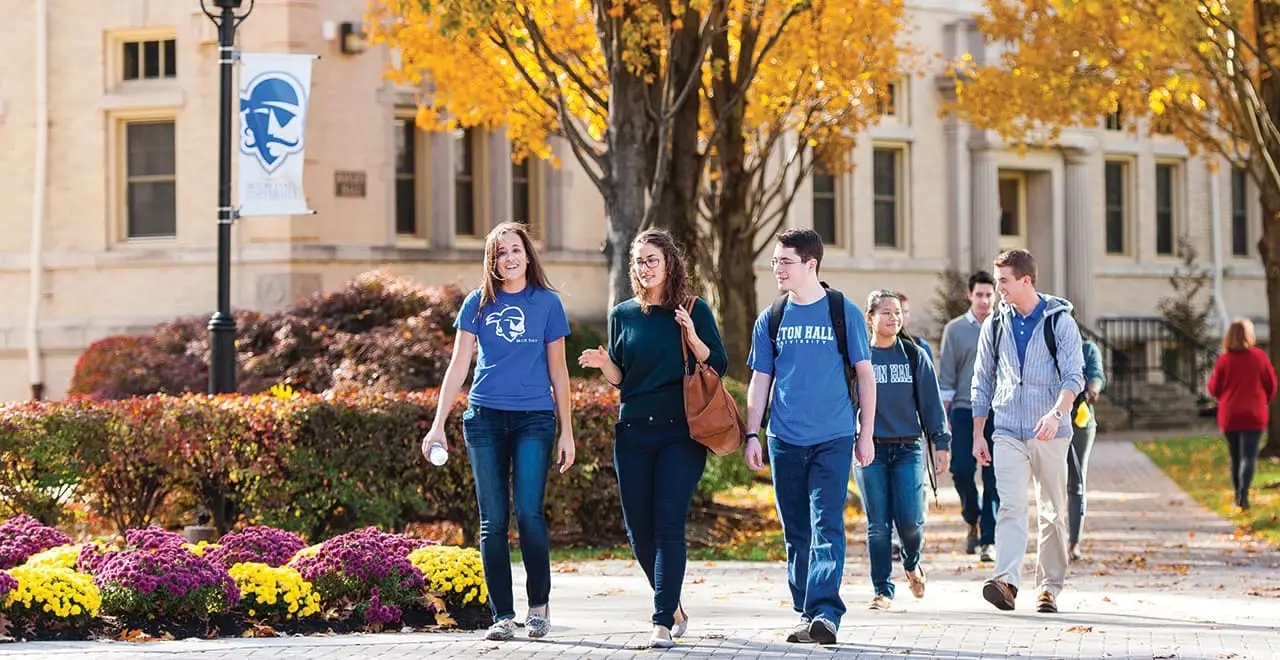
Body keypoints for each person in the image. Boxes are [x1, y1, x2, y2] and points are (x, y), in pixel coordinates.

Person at [421, 221, 576, 641]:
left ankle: (539, 607)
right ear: (492, 261)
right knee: (492, 521)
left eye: (514, 250)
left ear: (527, 255)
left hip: (534, 419)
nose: (508, 258)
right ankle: (503, 615)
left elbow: (559, 372)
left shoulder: (547, 304)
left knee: (528, 514)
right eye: (500, 253)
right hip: (485, 418)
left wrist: (567, 432)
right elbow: (458, 367)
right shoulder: (477, 303)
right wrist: (438, 425)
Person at [577, 228, 727, 648]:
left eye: (652, 260)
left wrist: (693, 337)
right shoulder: (622, 314)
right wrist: (605, 364)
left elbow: (719, 363)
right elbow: (623, 378)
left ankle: (661, 620)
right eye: (639, 261)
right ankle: (673, 603)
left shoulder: (694, 309)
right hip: (633, 431)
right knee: (638, 531)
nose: (644, 268)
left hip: (682, 431)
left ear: (669, 264)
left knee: (667, 525)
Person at [742, 229, 877, 646]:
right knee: (796, 529)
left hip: (834, 438)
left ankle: (825, 611)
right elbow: (760, 379)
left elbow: (866, 376)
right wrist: (752, 432)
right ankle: (806, 610)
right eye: (775, 262)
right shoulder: (773, 316)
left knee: (827, 524)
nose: (777, 269)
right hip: (785, 439)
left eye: (786, 262)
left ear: (811, 265)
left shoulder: (844, 312)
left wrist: (866, 433)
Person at [971, 249, 1084, 615]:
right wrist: (978, 433)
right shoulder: (996, 324)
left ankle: (1049, 588)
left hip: (1050, 431)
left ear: (1026, 280)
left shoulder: (1059, 322)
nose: (997, 288)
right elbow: (982, 380)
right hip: (1006, 429)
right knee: (1011, 506)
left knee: (1052, 510)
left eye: (1003, 281)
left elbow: (1074, 377)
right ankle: (1006, 581)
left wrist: (1056, 414)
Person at [855, 290, 951, 612]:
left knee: (911, 521)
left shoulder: (913, 355)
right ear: (870, 318)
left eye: (897, 312)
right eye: (886, 312)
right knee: (878, 524)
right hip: (870, 450)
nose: (894, 318)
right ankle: (883, 589)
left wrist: (942, 442)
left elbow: (932, 403)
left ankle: (911, 562)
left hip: (909, 448)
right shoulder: (859, 357)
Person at [938, 271, 999, 562]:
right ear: (970, 296)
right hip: (963, 410)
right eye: (980, 295)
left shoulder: (1004, 327)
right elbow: (947, 375)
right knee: (961, 470)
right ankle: (971, 517)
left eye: (989, 295)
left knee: (994, 476)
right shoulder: (955, 330)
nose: (985, 300)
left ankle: (988, 538)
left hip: (999, 412)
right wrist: (943, 418)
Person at [1207, 318, 1277, 510]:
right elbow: (1271, 384)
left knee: (1236, 457)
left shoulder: (1224, 360)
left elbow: (1214, 388)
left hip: (1231, 414)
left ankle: (1238, 494)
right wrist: (1263, 400)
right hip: (1254, 413)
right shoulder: (1259, 357)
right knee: (1249, 456)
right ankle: (1244, 494)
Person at [1067, 337, 1106, 561]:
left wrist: (1092, 390)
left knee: (1076, 482)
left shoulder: (1087, 348)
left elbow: (1096, 375)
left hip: (1080, 421)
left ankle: (1074, 542)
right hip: (1047, 422)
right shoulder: (1044, 345)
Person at [897, 292, 934, 360]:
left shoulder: (921, 346)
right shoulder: (875, 347)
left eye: (906, 312)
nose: (903, 316)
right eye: (898, 312)